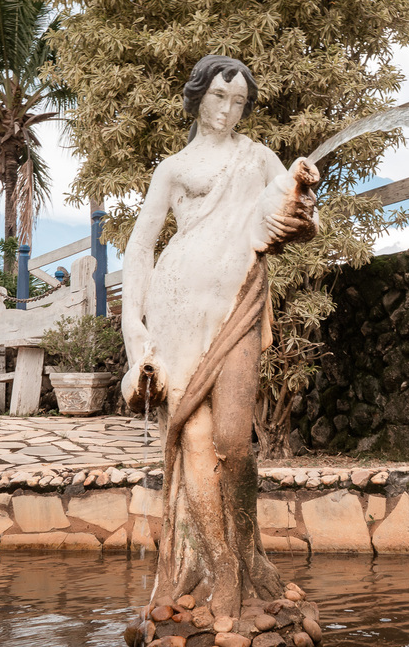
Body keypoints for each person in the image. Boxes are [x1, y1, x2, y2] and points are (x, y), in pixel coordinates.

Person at [121, 55, 319, 618]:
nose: (227, 110)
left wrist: (300, 212)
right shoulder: (173, 168)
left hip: (238, 304)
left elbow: (304, 219)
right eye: (217, 97)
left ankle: (246, 555)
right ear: (197, 96)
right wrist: (135, 328)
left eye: (238, 101)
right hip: (176, 309)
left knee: (233, 441)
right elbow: (141, 246)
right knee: (196, 440)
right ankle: (224, 571)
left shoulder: (257, 158)